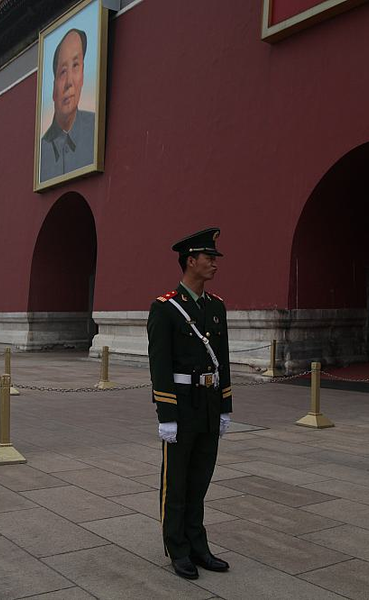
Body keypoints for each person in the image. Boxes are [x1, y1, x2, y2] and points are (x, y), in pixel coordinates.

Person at [147, 227, 233, 580]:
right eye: (208, 258)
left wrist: (225, 406)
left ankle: (199, 545)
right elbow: (160, 366)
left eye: (214, 258)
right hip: (180, 407)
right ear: (190, 261)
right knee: (177, 482)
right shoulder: (165, 309)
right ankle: (177, 547)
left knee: (200, 480)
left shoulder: (216, 307)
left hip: (209, 404)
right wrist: (166, 414)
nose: (214, 263)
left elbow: (222, 360)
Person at [40, 28, 95, 181]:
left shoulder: (95, 128)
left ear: (83, 76)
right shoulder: (42, 150)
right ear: (53, 88)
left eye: (76, 66)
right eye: (63, 72)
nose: (69, 82)